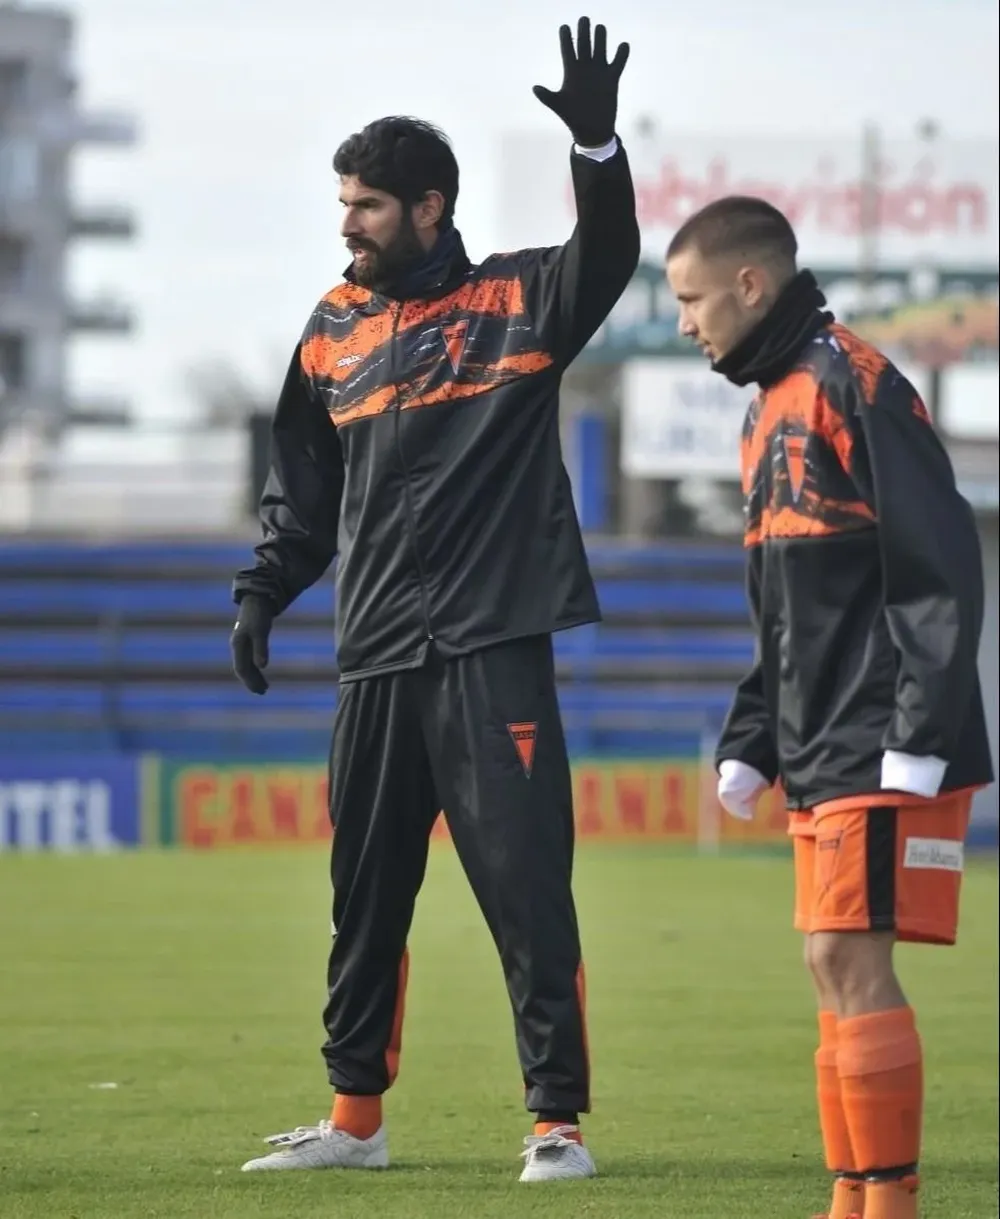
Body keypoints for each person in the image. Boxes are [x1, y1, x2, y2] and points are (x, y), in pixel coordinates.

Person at [229, 16, 639, 1183]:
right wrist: (265, 591)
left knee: (523, 890)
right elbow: (301, 493)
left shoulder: (519, 301)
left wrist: (597, 150)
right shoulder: (331, 332)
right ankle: (354, 1123)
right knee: (361, 895)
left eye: (365, 202)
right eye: (343, 200)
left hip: (491, 646)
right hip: (375, 658)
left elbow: (605, 258)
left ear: (430, 205)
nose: (346, 221)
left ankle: (555, 1122)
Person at [664, 196, 994, 1219]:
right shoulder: (766, 408)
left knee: (849, 958)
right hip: (817, 740)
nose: (684, 322)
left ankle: (886, 1202)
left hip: (882, 736)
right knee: (826, 962)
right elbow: (782, 604)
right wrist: (751, 736)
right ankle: (851, 1197)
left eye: (692, 298)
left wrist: (920, 731)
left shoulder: (855, 382)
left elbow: (939, 565)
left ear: (749, 285)